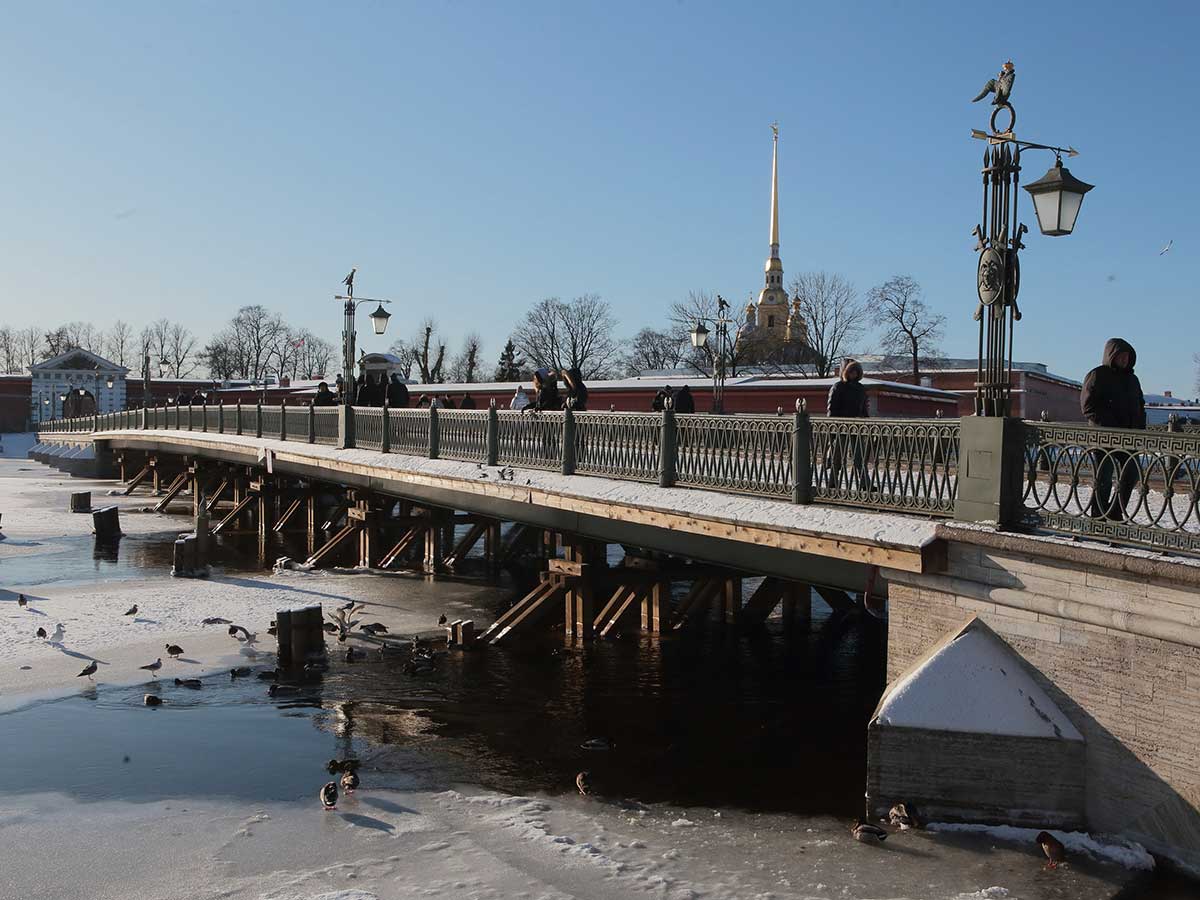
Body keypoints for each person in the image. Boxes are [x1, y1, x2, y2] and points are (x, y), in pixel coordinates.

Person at [1081, 338, 1146, 520]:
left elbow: (1140, 406)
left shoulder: (1133, 380)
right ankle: (1098, 517)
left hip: (1129, 438)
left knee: (1131, 475)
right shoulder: (1097, 375)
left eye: (1127, 356)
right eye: (1121, 356)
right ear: (1112, 356)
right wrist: (1110, 427)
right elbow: (1088, 407)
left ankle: (1115, 514)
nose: (1125, 360)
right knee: (1104, 479)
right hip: (1103, 438)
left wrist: (1140, 429)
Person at [826, 359, 870, 490]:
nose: (854, 374)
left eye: (856, 372)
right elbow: (832, 408)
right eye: (851, 371)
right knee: (837, 456)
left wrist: (866, 422)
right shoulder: (838, 386)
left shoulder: (861, 388)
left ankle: (864, 483)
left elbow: (863, 408)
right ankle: (832, 482)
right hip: (841, 425)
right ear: (847, 372)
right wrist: (831, 426)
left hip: (856, 426)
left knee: (859, 457)